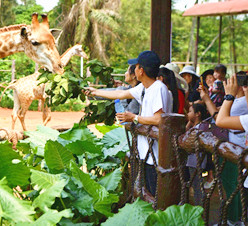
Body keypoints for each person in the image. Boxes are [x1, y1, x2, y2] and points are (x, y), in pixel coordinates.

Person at [83, 50, 172, 195]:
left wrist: (134, 118)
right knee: (146, 194)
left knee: (154, 195)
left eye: (136, 67)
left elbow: (159, 119)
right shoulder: (144, 87)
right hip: (145, 153)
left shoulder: (158, 89)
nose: (134, 70)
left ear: (141, 70)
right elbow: (120, 94)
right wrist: (95, 92)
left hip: (155, 155)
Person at [216, 74, 248, 222]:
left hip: (236, 151)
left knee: (233, 188)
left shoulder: (240, 104)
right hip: (236, 152)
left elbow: (220, 119)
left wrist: (229, 95)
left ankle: (233, 221)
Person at [185, 103, 210, 206]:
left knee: (197, 186)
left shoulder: (202, 127)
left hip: (196, 161)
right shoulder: (195, 126)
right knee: (194, 185)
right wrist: (189, 123)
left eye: (190, 111)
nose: (188, 113)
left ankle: (199, 208)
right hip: (192, 161)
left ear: (198, 114)